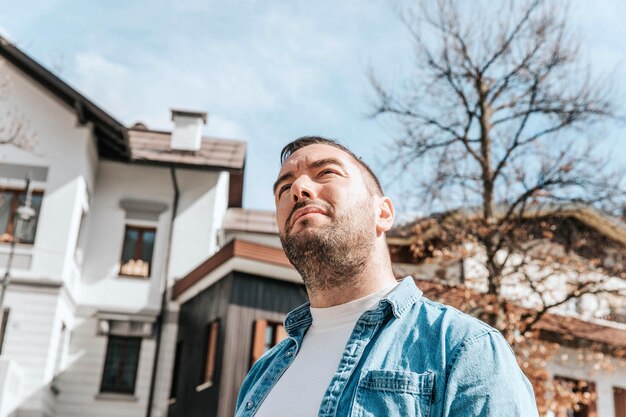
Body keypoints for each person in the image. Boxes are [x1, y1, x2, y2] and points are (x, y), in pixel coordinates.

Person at [235, 136, 539, 417]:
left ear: (383, 213)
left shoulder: (465, 347)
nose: (298, 190)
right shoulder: (261, 375)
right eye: (283, 190)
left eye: (326, 172)